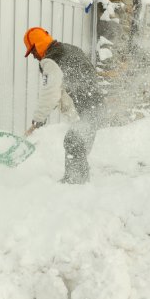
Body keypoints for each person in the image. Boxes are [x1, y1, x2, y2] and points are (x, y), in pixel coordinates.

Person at [23, 27, 103, 184]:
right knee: (78, 143)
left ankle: (75, 183)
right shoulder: (70, 49)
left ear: (37, 45)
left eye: (32, 53)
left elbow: (50, 90)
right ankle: (79, 179)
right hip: (96, 106)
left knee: (73, 141)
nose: (34, 57)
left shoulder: (51, 59)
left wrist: (38, 118)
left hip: (87, 109)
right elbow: (62, 87)